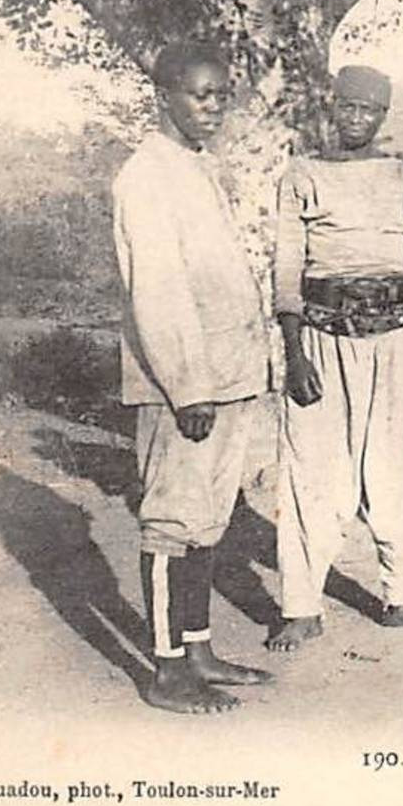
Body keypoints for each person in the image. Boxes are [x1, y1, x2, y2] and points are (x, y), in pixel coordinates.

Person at [111, 41, 273, 713]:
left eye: (220, 95)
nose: (212, 107)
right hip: (185, 384)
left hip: (229, 374)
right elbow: (160, 291)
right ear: (163, 97)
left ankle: (199, 645)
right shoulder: (144, 177)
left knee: (208, 521)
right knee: (172, 523)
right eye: (198, 94)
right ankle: (168, 669)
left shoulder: (198, 168)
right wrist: (189, 387)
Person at [267, 64, 403, 651]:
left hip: (398, 339)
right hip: (321, 337)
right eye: (347, 108)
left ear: (383, 117)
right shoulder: (301, 175)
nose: (356, 120)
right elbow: (287, 269)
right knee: (314, 472)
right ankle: (301, 605)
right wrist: (293, 353)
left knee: (397, 468)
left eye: (368, 111)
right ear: (331, 107)